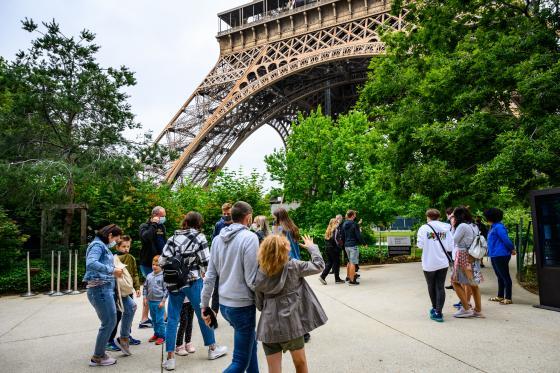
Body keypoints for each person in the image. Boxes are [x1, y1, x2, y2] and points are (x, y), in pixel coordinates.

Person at [160, 211, 227, 371]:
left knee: (173, 319)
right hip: (192, 281)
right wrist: (202, 271)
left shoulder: (172, 238)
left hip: (174, 283)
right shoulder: (200, 237)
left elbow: (162, 260)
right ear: (198, 223)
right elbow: (206, 261)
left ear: (185, 222)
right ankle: (212, 349)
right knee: (204, 313)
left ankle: (170, 359)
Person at [255, 234, 328, 373]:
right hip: (291, 325)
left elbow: (259, 304)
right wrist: (312, 248)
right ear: (284, 249)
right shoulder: (294, 266)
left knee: (273, 369)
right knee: (300, 364)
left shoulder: (260, 272)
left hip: (269, 326)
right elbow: (319, 265)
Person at [201, 201, 259, 373]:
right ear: (248, 218)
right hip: (242, 305)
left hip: (225, 305)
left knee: (251, 346)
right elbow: (252, 280)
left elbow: (210, 276)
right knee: (240, 361)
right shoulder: (250, 238)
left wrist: (204, 305)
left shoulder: (218, 240)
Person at [83, 224, 123, 367]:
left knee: (109, 321)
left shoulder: (100, 245)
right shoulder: (97, 245)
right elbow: (91, 263)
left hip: (103, 288)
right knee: (109, 322)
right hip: (99, 289)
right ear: (110, 235)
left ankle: (100, 354)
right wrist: (112, 270)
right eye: (116, 239)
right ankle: (98, 356)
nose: (115, 242)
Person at [417, 209, 453, 322]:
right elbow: (450, 247)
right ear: (439, 217)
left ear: (428, 217)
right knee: (440, 286)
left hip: (428, 262)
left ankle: (434, 308)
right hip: (442, 262)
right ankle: (438, 312)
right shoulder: (447, 228)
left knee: (431, 286)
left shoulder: (423, 228)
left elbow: (420, 245)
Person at [107, 236, 141, 352]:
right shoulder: (112, 258)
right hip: (117, 291)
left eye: (128, 246)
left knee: (129, 313)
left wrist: (137, 287)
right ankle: (110, 340)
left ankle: (126, 335)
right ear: (117, 247)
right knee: (116, 315)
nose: (126, 249)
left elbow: (135, 273)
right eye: (123, 246)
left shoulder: (131, 258)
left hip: (128, 289)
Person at [451, 206, 484, 318]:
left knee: (455, 281)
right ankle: (478, 310)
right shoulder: (474, 225)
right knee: (473, 284)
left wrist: (452, 226)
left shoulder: (462, 226)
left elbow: (454, 240)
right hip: (473, 256)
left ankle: (466, 308)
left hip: (463, 256)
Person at [139, 206, 167, 329]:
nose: (164, 218)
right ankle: (144, 319)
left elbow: (163, 242)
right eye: (162, 216)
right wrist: (154, 225)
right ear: (155, 216)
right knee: (150, 290)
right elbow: (146, 238)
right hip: (148, 263)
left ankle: (163, 317)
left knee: (159, 289)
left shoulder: (162, 227)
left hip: (160, 262)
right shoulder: (145, 226)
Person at [484, 208, 515, 305]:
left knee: (505, 276)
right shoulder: (493, 227)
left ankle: (508, 297)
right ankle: (500, 296)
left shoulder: (499, 227)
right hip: (494, 254)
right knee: (499, 276)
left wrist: (512, 248)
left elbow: (506, 240)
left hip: (501, 255)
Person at [210, 203, 233, 314]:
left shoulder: (236, 223)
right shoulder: (219, 224)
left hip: (233, 259)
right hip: (221, 259)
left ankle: (231, 311)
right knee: (217, 287)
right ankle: (214, 312)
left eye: (228, 213)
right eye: (224, 213)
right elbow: (214, 240)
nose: (226, 215)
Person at [144, 255, 167, 345]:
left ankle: (162, 336)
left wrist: (163, 301)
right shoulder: (149, 276)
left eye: (157, 265)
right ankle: (156, 334)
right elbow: (145, 287)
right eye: (153, 264)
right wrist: (145, 298)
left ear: (162, 266)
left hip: (159, 302)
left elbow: (166, 290)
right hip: (150, 302)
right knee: (154, 320)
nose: (154, 266)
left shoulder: (163, 277)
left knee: (160, 320)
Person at [342, 210, 365, 285]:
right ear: (352, 216)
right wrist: (364, 243)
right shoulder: (354, 224)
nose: (355, 216)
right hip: (353, 246)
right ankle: (352, 280)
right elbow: (358, 236)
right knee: (353, 263)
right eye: (354, 214)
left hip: (346, 245)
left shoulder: (344, 224)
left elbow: (342, 236)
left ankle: (348, 276)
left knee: (349, 261)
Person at [319, 218, 344, 285]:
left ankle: (322, 276)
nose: (338, 223)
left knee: (330, 263)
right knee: (336, 263)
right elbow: (336, 240)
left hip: (328, 249)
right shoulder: (335, 230)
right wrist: (340, 244)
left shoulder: (328, 230)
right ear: (334, 223)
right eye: (336, 222)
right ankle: (337, 279)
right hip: (334, 249)